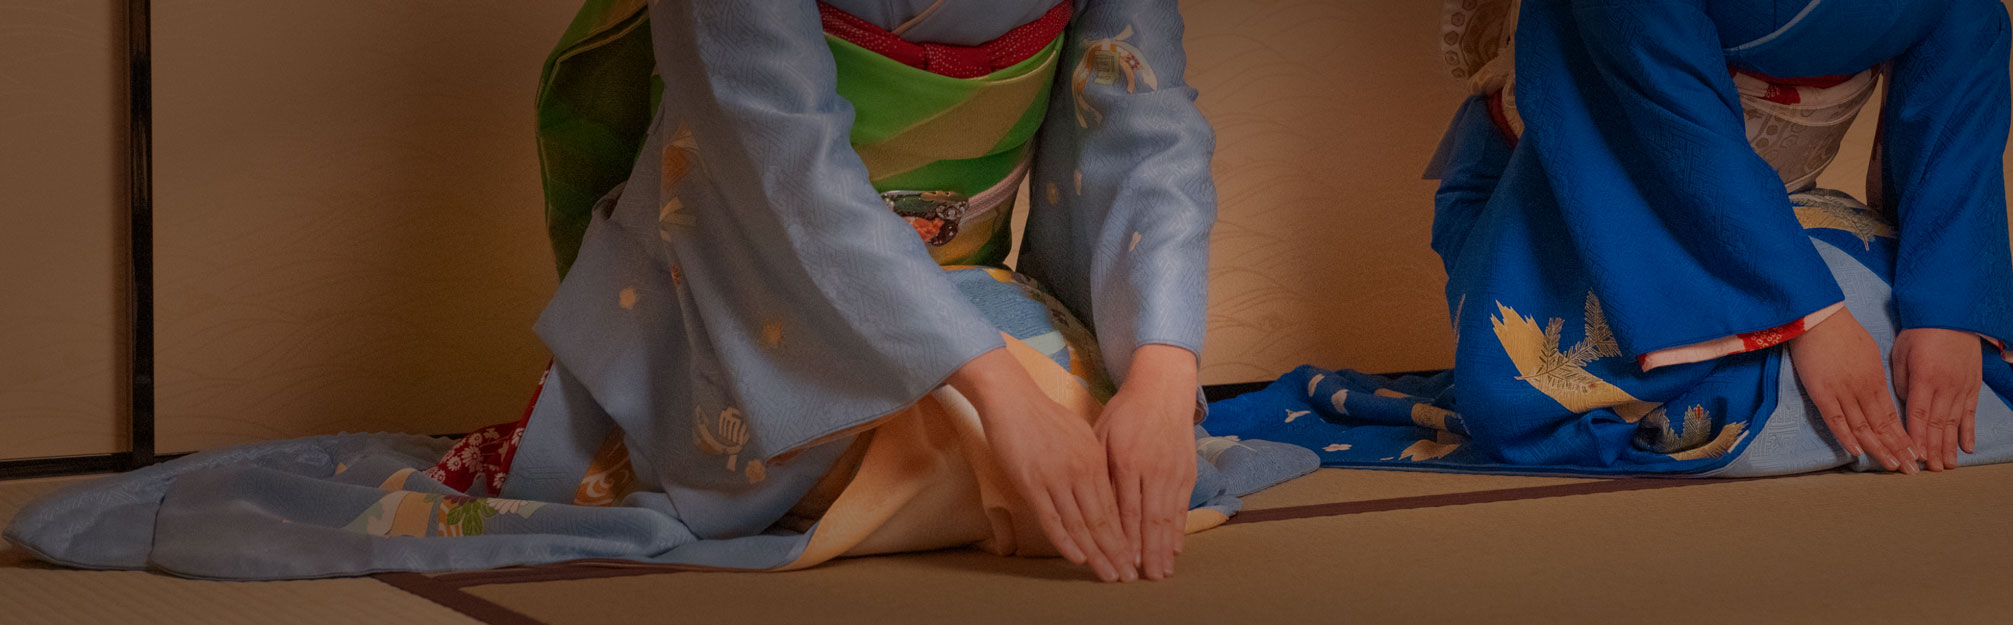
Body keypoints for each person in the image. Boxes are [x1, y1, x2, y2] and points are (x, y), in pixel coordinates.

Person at [8, 0, 1314, 583]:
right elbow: (775, 162)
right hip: (738, 287)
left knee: (1099, 448)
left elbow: (1143, 124)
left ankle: (985, 419)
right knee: (1006, 441)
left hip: (967, 290)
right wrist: (995, 398)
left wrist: (1163, 373)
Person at [1204, 0, 2013, 477]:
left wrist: (1948, 309)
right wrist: (1804, 316)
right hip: (1567, 201)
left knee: (1927, 369)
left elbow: (1958, 99)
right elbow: (1677, 137)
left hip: (1761, 211)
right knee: (1731, 386)